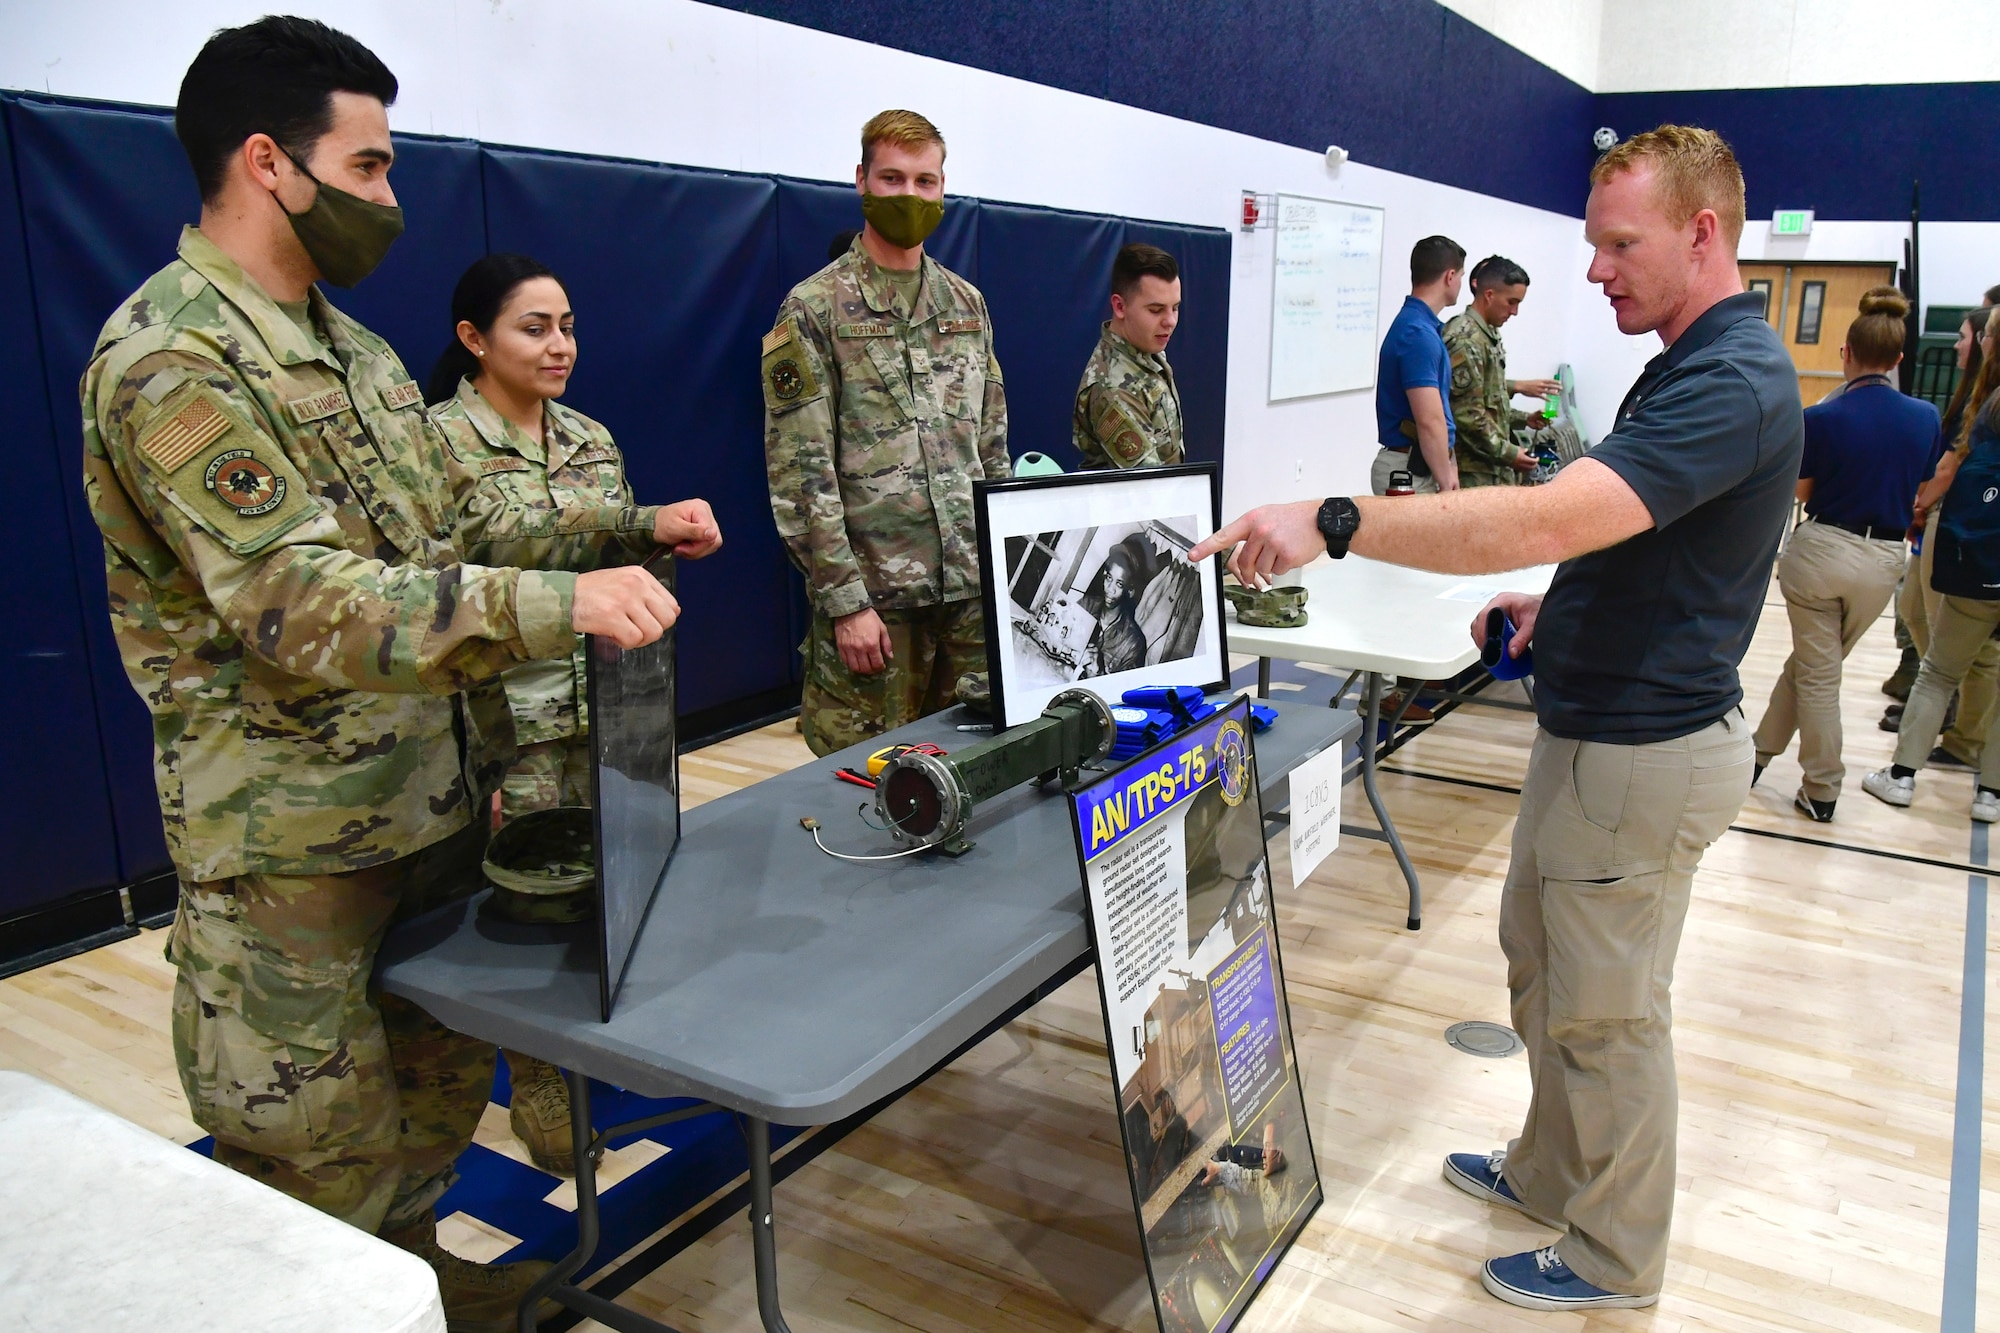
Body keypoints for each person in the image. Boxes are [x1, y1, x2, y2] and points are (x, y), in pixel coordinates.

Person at [78, 20, 675, 1330]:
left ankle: (423, 1286)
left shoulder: (349, 354)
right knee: (309, 1157)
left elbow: (447, 540)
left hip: (425, 811)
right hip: (290, 855)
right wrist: (555, 601)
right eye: (369, 166)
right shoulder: (174, 356)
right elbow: (297, 603)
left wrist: (619, 536)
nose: (389, 199)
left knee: (423, 1104)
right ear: (268, 163)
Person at [1191, 125, 1800, 1310]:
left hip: (1641, 755)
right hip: (1596, 731)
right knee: (1543, 975)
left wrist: (1335, 517)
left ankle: (1613, 1256)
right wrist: (1553, 607)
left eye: (1618, 245)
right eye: (1591, 245)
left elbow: (1541, 515)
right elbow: (1630, 544)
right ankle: (1547, 1168)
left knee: (1608, 1019)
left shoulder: (1730, 378)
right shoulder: (1689, 357)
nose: (1594, 272)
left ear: (1701, 234)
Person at [425, 252, 722, 1174]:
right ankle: (538, 1072)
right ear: (474, 339)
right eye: (533, 327)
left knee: (605, 876)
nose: (560, 346)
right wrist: (638, 522)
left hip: (602, 703)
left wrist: (664, 528)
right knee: (518, 895)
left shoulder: (590, 438)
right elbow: (451, 573)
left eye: (567, 327)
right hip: (501, 717)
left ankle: (598, 1040)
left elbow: (610, 546)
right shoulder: (430, 445)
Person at [762, 109, 1009, 757]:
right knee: (865, 784)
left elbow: (992, 448)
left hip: (969, 598)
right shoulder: (814, 309)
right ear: (861, 182)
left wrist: (1005, 572)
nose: (910, 196)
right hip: (876, 604)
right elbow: (801, 475)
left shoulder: (966, 303)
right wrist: (845, 603)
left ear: (942, 188)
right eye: (893, 179)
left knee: (972, 769)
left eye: (925, 182)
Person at [1750, 288, 1937, 821]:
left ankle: (1823, 786)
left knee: (1816, 671)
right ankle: (1758, 755)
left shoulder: (1822, 418)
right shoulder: (1925, 417)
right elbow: (1922, 489)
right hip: (1883, 561)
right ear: (1899, 359)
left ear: (1845, 353)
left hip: (1822, 552)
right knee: (1816, 666)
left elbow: (1802, 492)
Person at [1864, 307, 2000, 818]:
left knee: (1940, 669)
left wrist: (1915, 507)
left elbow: (1951, 465)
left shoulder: (1991, 403)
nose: (1971, 342)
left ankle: (1901, 777)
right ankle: (1990, 793)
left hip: (1978, 550)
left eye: (1980, 334)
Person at [1441, 255, 1562, 487]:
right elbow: (1468, 416)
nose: (1515, 311)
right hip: (1473, 473)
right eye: (1511, 302)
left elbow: (1490, 399)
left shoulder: (1489, 334)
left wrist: (1524, 419)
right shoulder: (1465, 339)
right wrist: (1510, 453)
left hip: (1493, 470)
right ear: (1489, 295)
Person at [1073, 242, 1184, 470]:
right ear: (1120, 306)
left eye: (1175, 308)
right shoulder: (1114, 388)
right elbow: (1148, 484)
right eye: (1156, 310)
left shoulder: (1146, 352)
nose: (1170, 321)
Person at [1370, 234, 1465, 495]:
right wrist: (1445, 480)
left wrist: (1449, 464)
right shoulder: (1417, 335)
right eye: (1461, 277)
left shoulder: (1420, 327)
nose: (1460, 284)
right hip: (1409, 471)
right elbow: (1429, 420)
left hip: (1420, 465)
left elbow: (1440, 415)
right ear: (1450, 276)